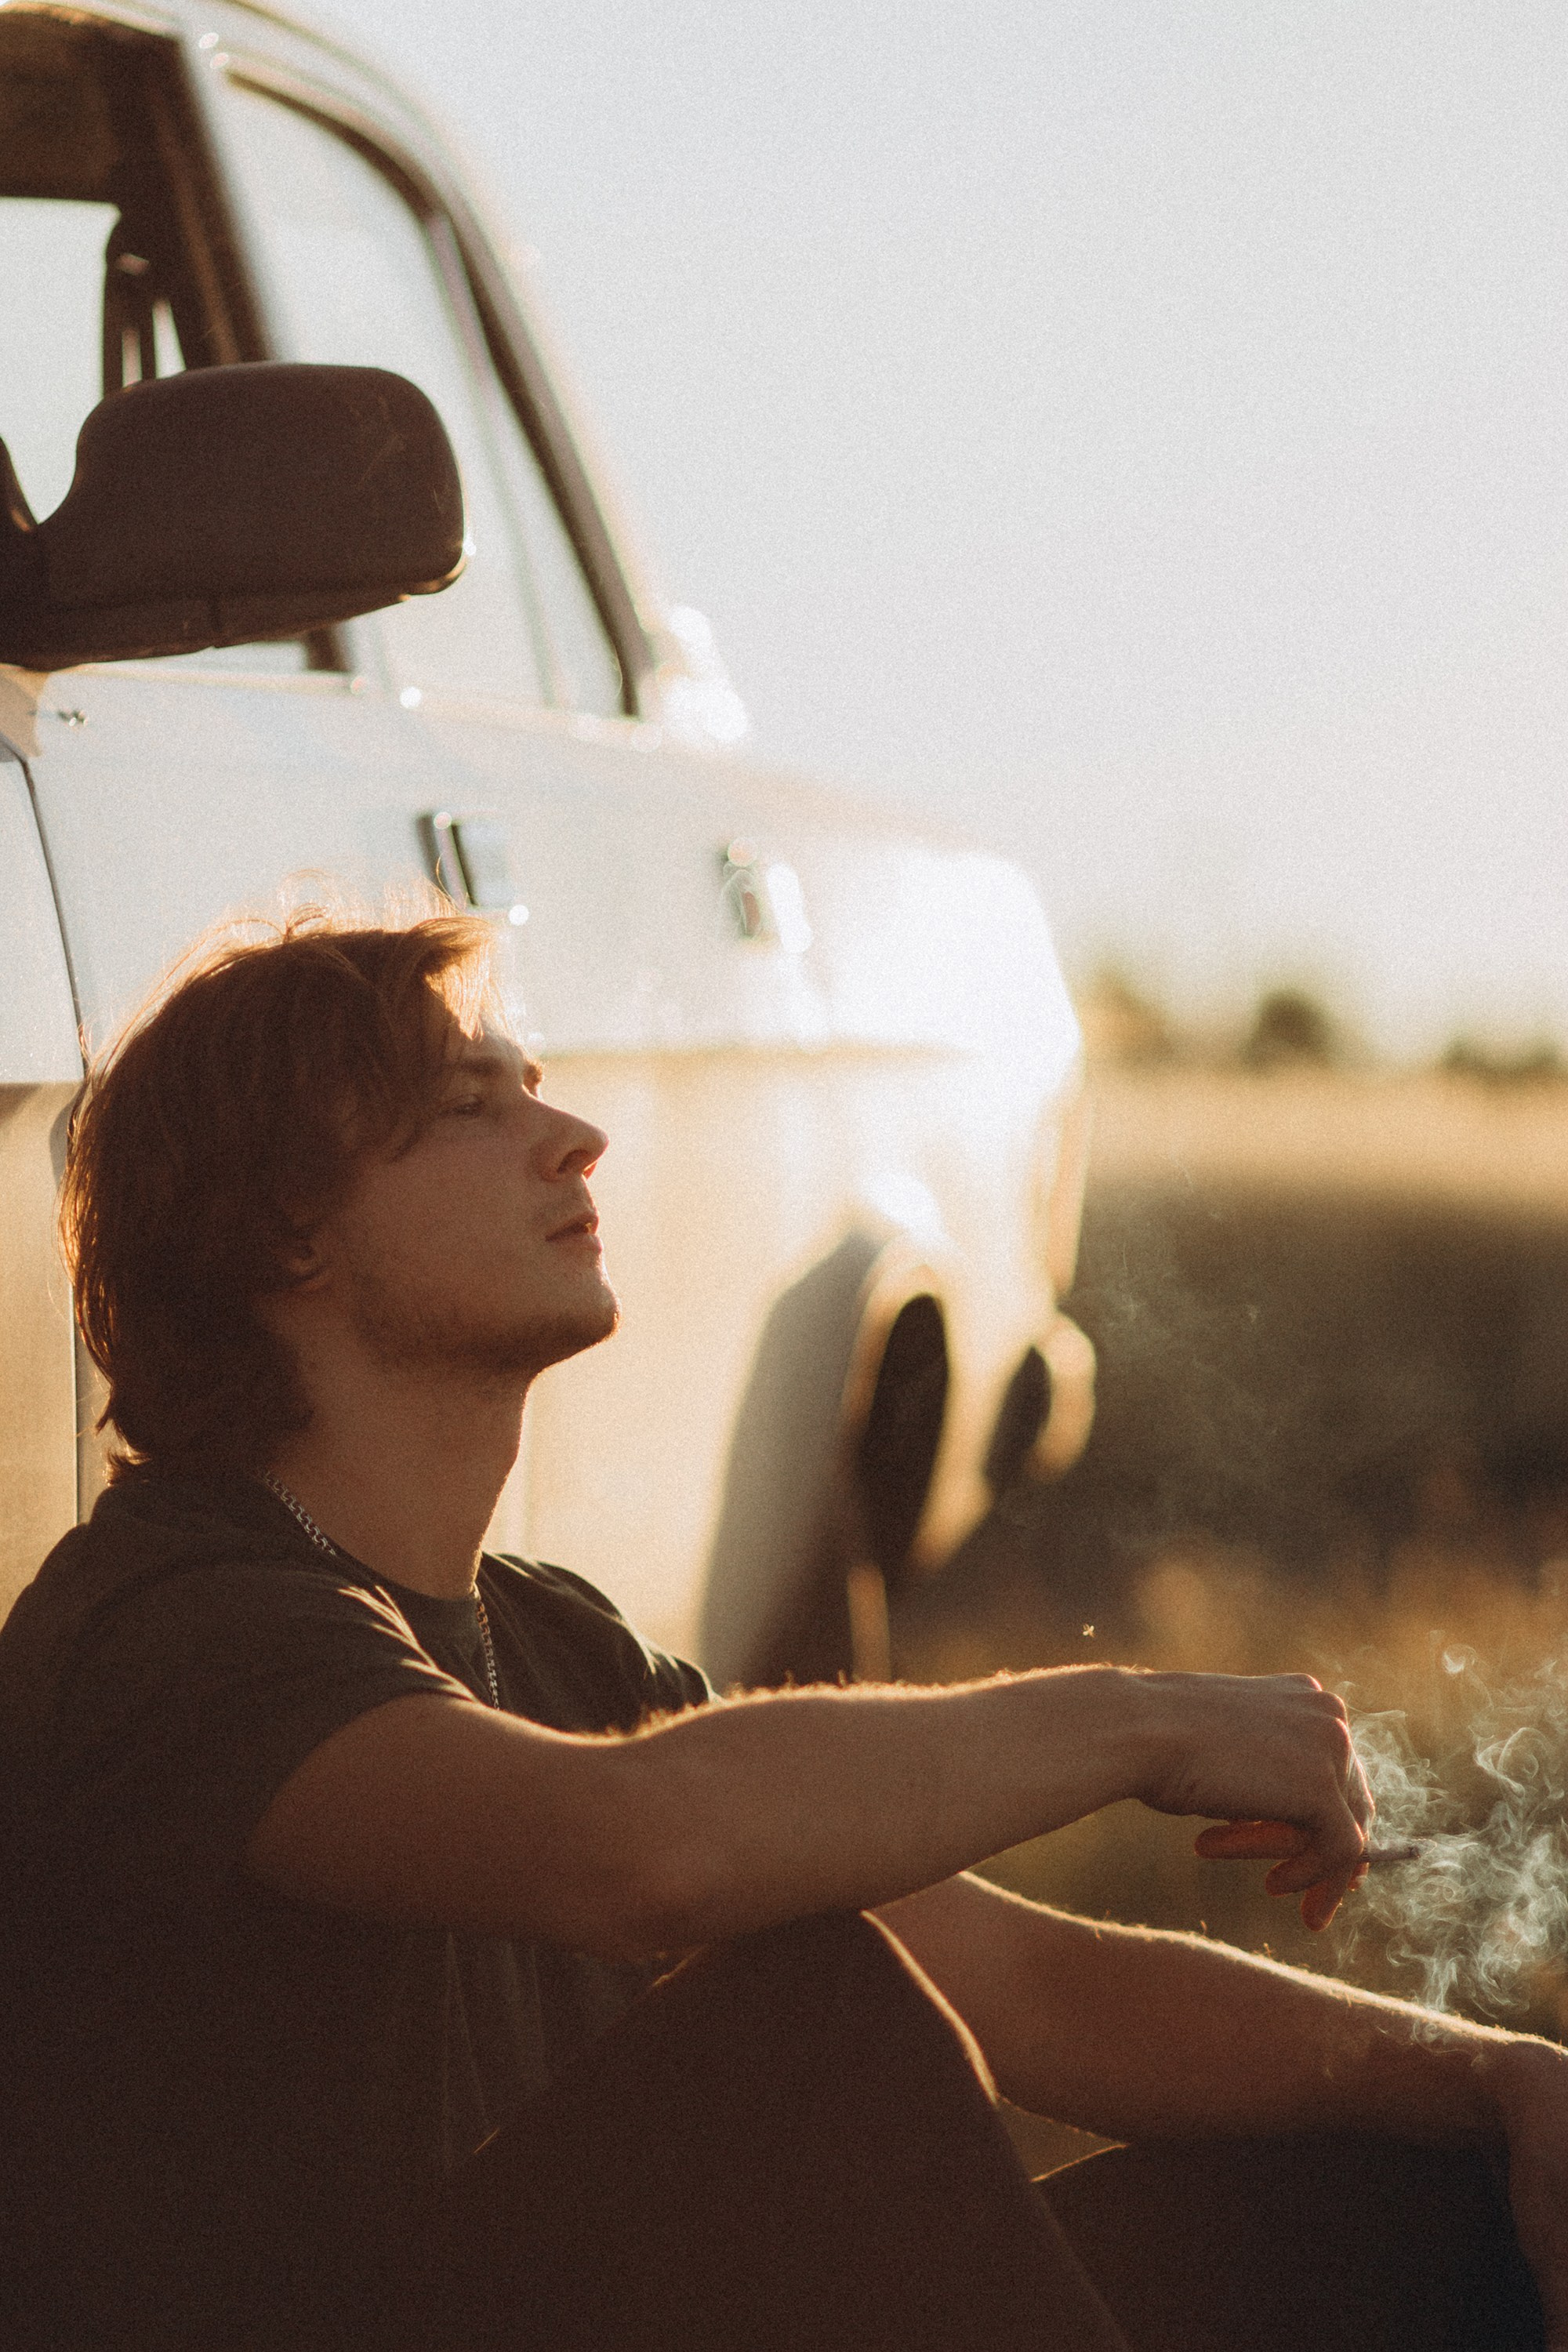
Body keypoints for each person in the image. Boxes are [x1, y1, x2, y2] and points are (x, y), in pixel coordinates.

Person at [1, 909, 1563, 2352]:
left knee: (1420, 2194)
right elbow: (631, 1849)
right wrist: (1135, 1717)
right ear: (286, 1231)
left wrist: (1488, 2080)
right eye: (476, 1106)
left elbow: (1028, 1990)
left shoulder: (554, 1647)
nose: (576, 1136)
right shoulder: (168, 1622)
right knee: (807, 2022)